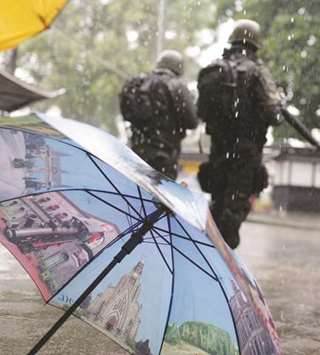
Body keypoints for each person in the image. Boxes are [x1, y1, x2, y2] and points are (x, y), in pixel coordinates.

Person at [196, 19, 284, 249]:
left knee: (217, 203)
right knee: (234, 210)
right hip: (245, 154)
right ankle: (224, 258)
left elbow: (200, 111)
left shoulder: (214, 69)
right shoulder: (257, 72)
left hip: (218, 150)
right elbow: (274, 114)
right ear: (256, 44)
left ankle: (209, 250)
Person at [119, 50, 198, 180]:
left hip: (137, 153)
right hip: (164, 157)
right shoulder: (176, 85)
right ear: (178, 68)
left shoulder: (139, 83)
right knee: (159, 198)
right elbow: (192, 122)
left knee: (137, 193)